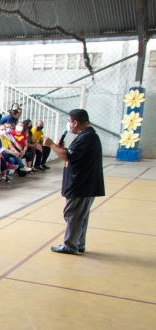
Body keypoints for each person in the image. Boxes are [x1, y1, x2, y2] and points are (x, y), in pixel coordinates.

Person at [47, 109, 104, 255]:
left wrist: (51, 145)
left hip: (81, 184)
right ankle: (78, 243)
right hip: (85, 183)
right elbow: (73, 154)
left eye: (69, 122)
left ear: (75, 122)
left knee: (73, 214)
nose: (69, 125)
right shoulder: (87, 136)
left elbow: (68, 157)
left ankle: (70, 245)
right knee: (80, 215)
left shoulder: (87, 137)